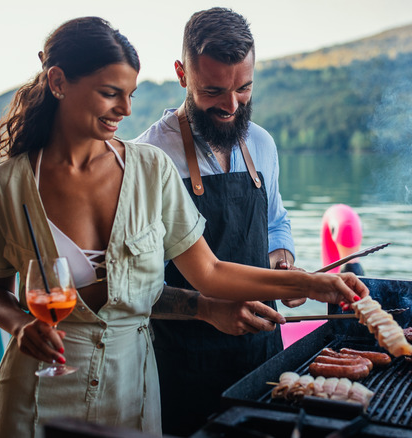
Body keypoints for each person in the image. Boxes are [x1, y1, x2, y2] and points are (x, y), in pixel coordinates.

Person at [0, 16, 367, 438]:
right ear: (58, 82)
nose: (127, 109)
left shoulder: (148, 169)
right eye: (110, 94)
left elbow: (210, 270)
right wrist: (20, 324)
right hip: (42, 392)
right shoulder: (5, 187)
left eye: (130, 94)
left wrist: (313, 283)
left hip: (132, 389)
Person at [134, 8, 304, 435]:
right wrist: (207, 309)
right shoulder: (149, 159)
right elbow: (135, 289)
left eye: (244, 88)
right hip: (183, 365)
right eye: (213, 91)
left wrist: (281, 263)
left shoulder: (262, 144)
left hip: (263, 356)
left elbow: (276, 220)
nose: (231, 106)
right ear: (181, 74)